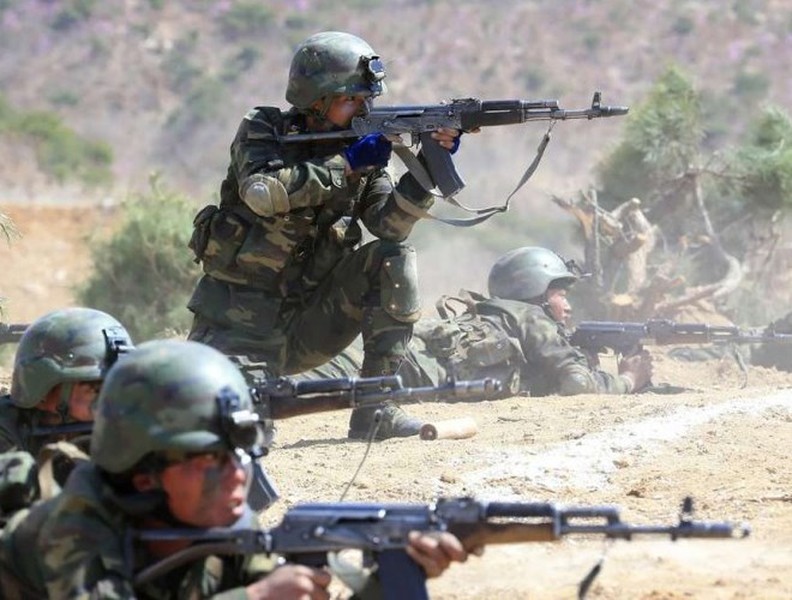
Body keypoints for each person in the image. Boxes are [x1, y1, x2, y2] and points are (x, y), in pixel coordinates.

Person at [0, 339, 471, 598]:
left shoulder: (225, 524)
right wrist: (257, 597)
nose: (238, 476)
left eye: (239, 455)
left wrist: (388, 579)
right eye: (211, 460)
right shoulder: (76, 523)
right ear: (144, 475)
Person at [186, 31, 464, 440]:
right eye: (352, 99)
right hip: (236, 330)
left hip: (308, 325)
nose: (364, 109)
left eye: (368, 100)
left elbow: (388, 225)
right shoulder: (264, 128)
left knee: (393, 256)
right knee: (244, 432)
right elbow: (263, 192)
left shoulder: (363, 152)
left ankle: (376, 409)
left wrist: (426, 168)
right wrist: (346, 164)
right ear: (316, 99)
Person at [304, 246, 653, 397]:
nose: (569, 305)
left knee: (297, 382)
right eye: (561, 293)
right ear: (536, 290)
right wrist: (627, 380)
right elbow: (577, 385)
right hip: (397, 368)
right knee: (293, 388)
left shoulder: (498, 315)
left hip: (386, 359)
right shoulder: (530, 316)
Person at [0, 307, 133, 518]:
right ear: (44, 388)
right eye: (95, 389)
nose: (109, 400)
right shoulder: (8, 432)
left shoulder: (125, 430)